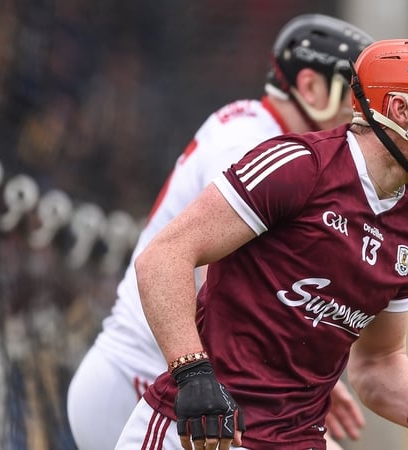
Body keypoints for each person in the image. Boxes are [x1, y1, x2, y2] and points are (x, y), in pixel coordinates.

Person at [117, 37, 408, 450]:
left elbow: (378, 360)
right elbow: (164, 255)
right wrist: (193, 374)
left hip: (296, 440)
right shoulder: (299, 167)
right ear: (401, 109)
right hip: (203, 433)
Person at [66, 14, 373, 450]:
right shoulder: (252, 141)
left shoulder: (263, 133)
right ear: (311, 87)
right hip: (144, 380)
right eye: (353, 93)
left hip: (164, 378)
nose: (361, 112)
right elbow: (227, 275)